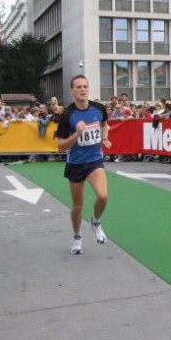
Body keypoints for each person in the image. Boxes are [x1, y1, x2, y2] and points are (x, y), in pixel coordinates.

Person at [56, 75, 112, 255]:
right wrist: (77, 134)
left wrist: (104, 138)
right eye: (78, 87)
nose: (82, 89)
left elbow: (104, 125)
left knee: (103, 195)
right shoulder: (67, 115)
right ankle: (77, 235)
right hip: (76, 163)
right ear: (72, 91)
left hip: (94, 160)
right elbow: (60, 147)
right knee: (78, 206)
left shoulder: (98, 108)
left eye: (85, 86)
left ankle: (95, 222)